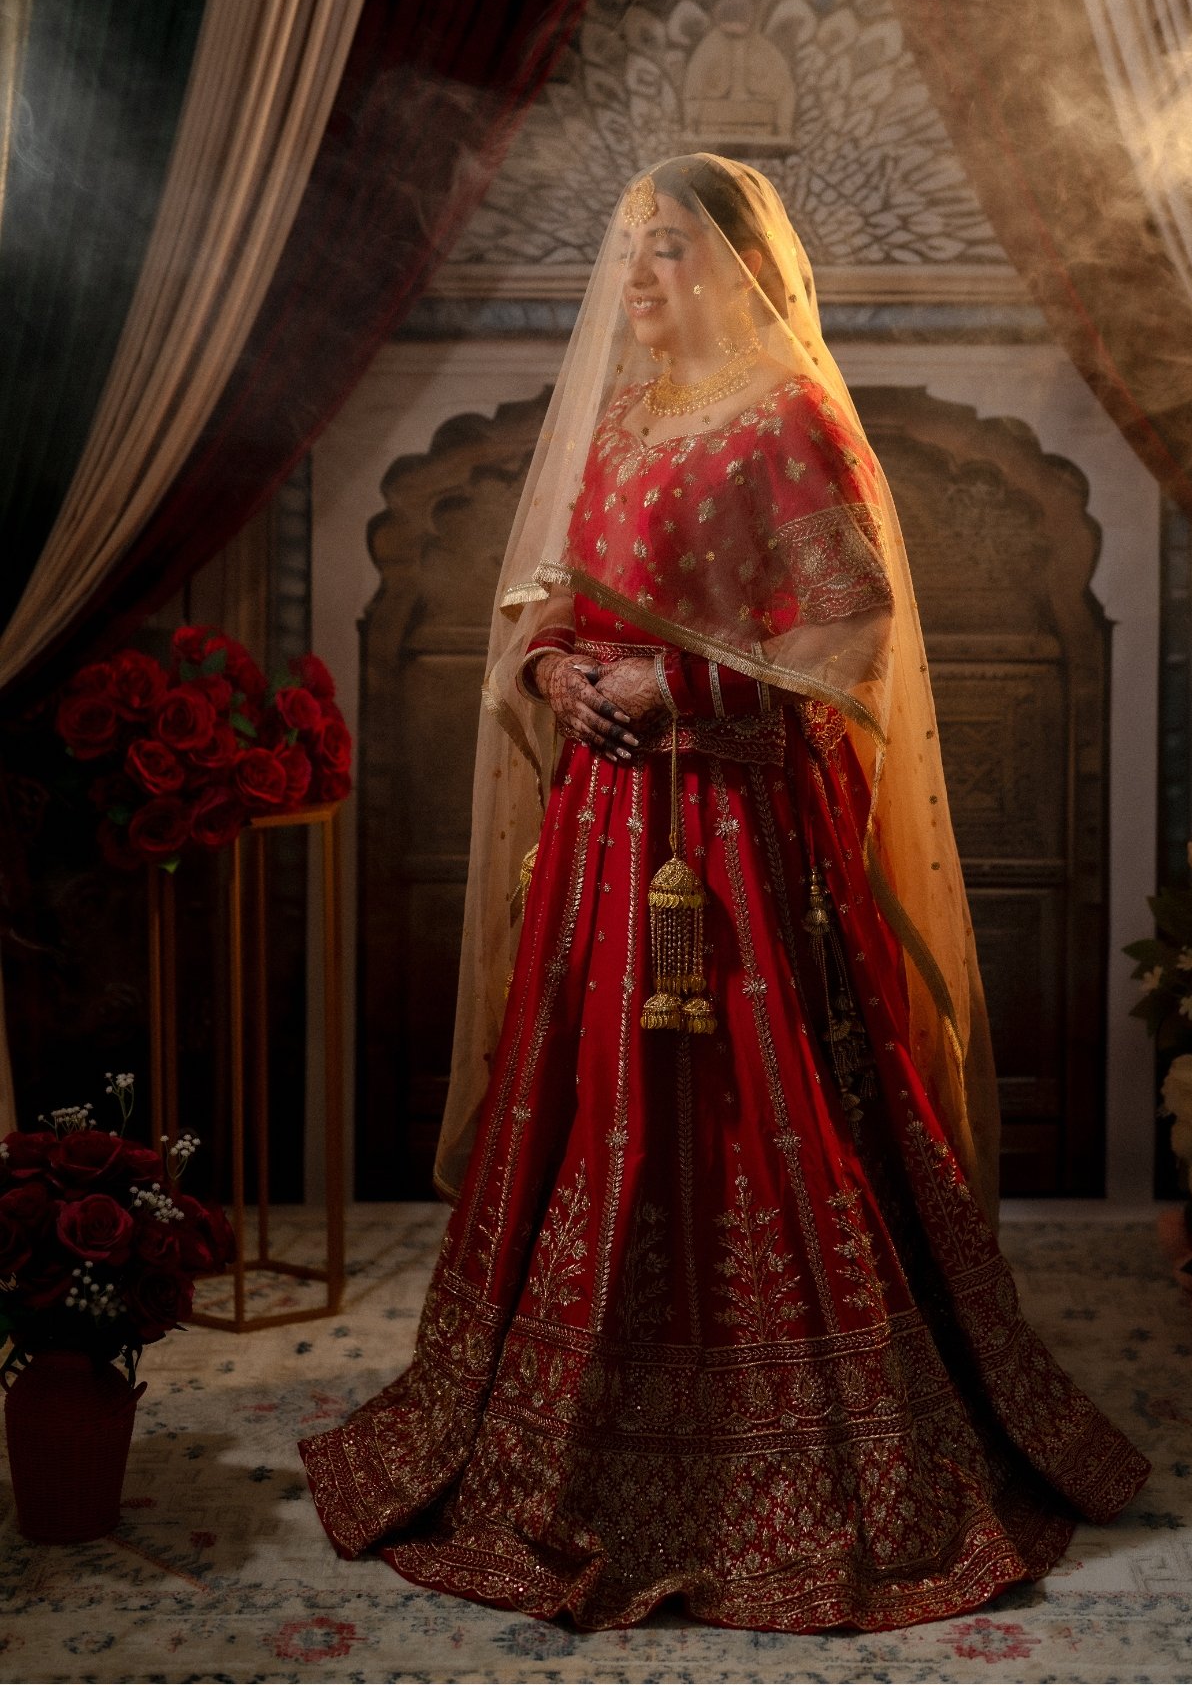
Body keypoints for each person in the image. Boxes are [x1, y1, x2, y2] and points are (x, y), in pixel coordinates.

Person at [302, 155, 1147, 1632]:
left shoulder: (789, 420)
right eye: (627, 253)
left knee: (772, 1110)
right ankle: (552, 1432)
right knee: (586, 1092)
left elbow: (850, 628)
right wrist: (563, 672)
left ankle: (833, 1447)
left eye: (670, 253)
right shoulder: (625, 419)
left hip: (742, 832)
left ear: (743, 267)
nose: (638, 282)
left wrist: (675, 677)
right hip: (610, 822)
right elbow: (556, 604)